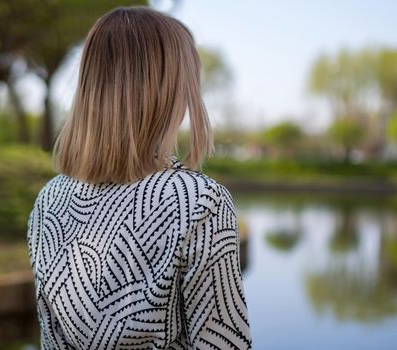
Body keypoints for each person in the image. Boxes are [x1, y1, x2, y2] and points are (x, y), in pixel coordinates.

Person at [27, 5, 252, 349]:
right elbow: (225, 341)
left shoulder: (50, 200)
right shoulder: (198, 201)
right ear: (169, 91)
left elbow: (51, 339)